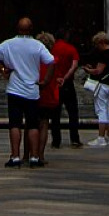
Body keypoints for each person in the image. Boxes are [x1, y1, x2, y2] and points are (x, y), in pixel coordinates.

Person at [0, 17, 54, 168]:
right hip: (32, 91)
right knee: (33, 125)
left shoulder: (9, 44)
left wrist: (3, 69)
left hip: (15, 90)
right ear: (31, 30)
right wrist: (45, 81)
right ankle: (35, 157)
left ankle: (15, 156)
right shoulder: (37, 45)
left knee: (15, 124)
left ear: (17, 29)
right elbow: (51, 62)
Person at [49, 28, 83, 149]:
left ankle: (56, 140)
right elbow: (74, 65)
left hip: (54, 83)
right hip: (67, 83)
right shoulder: (71, 48)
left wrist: (55, 78)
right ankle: (74, 138)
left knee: (55, 114)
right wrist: (65, 77)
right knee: (73, 112)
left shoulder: (52, 49)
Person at [83, 30, 109, 148]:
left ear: (101, 42)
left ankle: (101, 137)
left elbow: (98, 70)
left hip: (102, 84)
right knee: (108, 109)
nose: (96, 47)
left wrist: (88, 70)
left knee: (101, 110)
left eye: (97, 44)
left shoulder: (104, 54)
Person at [35, 32, 60, 164]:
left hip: (34, 93)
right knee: (44, 124)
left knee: (31, 125)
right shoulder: (53, 59)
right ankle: (40, 155)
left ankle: (29, 155)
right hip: (48, 93)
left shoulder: (34, 59)